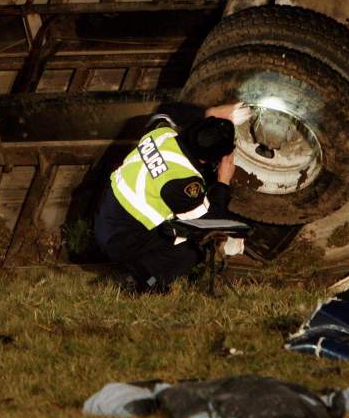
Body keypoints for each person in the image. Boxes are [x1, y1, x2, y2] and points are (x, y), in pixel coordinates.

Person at [93, 103, 251, 292]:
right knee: (194, 248)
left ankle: (134, 267)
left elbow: (169, 110)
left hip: (104, 218)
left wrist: (210, 112)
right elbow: (211, 222)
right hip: (120, 241)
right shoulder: (184, 182)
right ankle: (143, 281)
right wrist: (223, 182)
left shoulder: (161, 134)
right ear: (208, 160)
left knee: (174, 226)